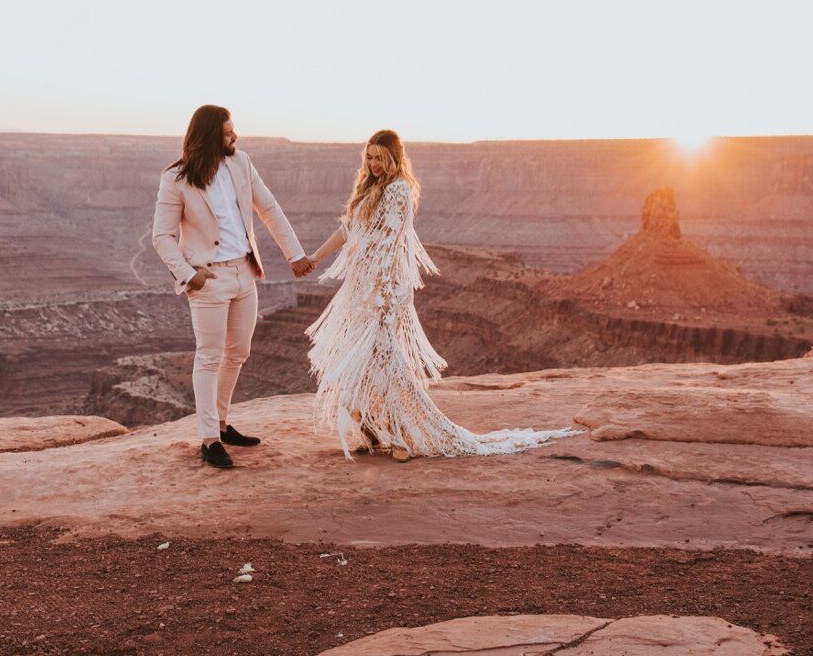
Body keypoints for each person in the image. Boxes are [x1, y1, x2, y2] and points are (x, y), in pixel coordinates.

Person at [304, 129, 578, 460]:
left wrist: (381, 292)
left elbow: (391, 243)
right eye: (370, 157)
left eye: (380, 158)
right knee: (366, 361)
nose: (374, 164)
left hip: (384, 290)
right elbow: (349, 229)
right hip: (362, 290)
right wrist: (314, 258)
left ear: (394, 158)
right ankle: (374, 429)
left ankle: (402, 435)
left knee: (389, 362)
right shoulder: (368, 188)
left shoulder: (399, 190)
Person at [152, 105, 314, 469]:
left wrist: (295, 255)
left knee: (238, 352)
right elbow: (160, 236)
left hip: (244, 272)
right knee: (209, 355)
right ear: (210, 136)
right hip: (208, 278)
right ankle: (209, 438)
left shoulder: (241, 164)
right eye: (228, 133)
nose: (234, 137)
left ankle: (222, 424)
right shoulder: (176, 178)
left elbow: (269, 209)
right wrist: (188, 274)